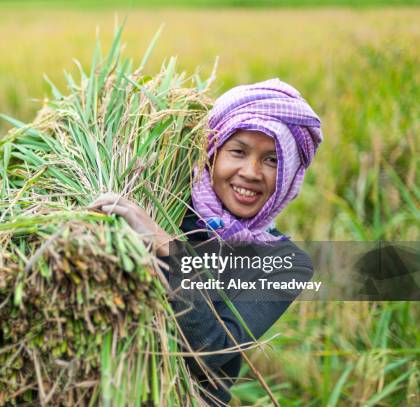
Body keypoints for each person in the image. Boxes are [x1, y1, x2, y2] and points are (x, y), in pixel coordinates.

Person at [90, 78, 323, 405]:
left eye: (272, 160)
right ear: (212, 152)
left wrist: (167, 247)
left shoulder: (287, 262)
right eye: (238, 152)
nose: (252, 172)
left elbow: (212, 350)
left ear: (289, 174)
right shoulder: (165, 200)